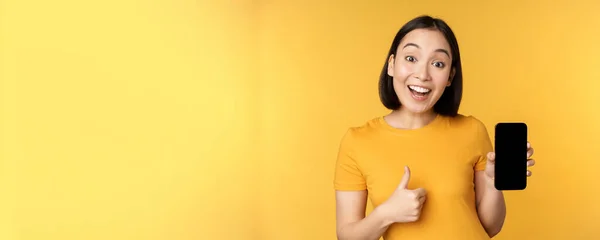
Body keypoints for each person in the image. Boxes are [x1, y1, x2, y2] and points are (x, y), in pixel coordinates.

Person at [333, 15, 536, 240]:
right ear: (391, 65)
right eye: (411, 58)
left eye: (438, 63)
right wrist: (386, 214)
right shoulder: (358, 141)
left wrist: (492, 182)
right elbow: (347, 236)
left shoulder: (472, 130)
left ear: (450, 77)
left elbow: (491, 227)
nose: (422, 75)